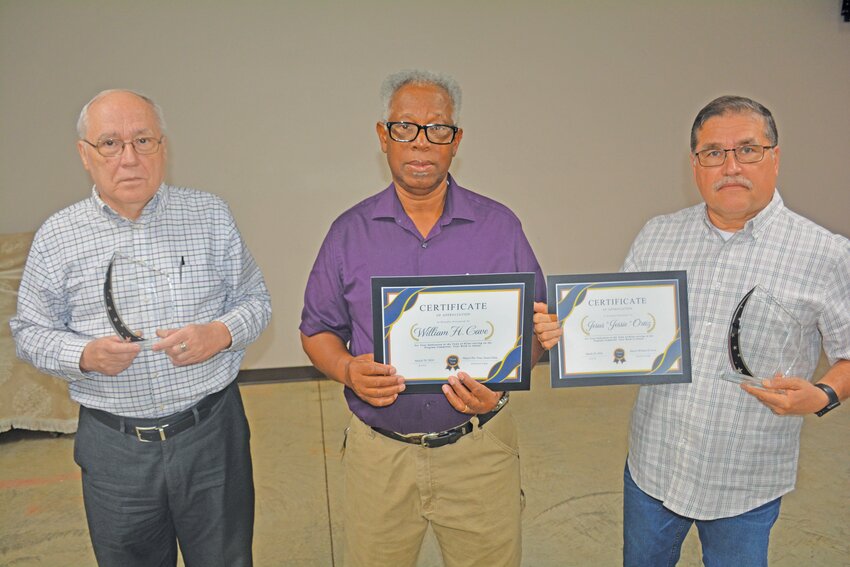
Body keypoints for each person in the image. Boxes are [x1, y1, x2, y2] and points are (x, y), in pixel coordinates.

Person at [535, 95, 849, 566]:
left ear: (775, 157)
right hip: (653, 466)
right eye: (713, 153)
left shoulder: (826, 254)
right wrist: (564, 334)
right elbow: (616, 328)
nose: (731, 166)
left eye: (748, 150)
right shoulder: (659, 234)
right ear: (695, 164)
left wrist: (823, 395)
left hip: (745, 479)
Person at [10, 89, 272, 567]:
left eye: (143, 140)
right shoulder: (58, 235)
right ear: (85, 155)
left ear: (163, 148)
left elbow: (256, 302)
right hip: (115, 448)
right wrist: (84, 355)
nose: (129, 158)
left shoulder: (209, 215)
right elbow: (27, 332)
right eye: (110, 143)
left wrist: (220, 333)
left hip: (211, 433)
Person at [300, 69, 546, 567]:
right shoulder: (349, 233)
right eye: (405, 128)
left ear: (455, 142)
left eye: (437, 129)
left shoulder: (500, 227)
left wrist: (503, 381)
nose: (420, 143)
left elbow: (537, 329)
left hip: (479, 450)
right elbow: (316, 330)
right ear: (383, 137)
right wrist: (348, 370)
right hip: (379, 457)